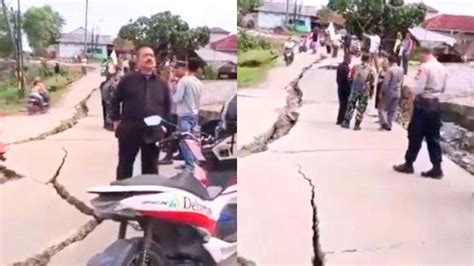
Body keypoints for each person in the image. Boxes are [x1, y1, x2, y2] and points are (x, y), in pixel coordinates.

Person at [111, 46, 171, 180]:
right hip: (130, 130)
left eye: (151, 55)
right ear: (138, 61)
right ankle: (121, 195)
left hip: (153, 131)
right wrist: (115, 120)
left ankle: (148, 197)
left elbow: (167, 106)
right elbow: (115, 100)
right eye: (145, 56)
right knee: (125, 166)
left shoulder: (162, 83)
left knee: (151, 169)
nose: (149, 58)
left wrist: (165, 127)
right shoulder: (127, 80)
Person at [393, 47, 447, 179]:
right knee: (433, 137)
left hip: (423, 105)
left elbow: (418, 88)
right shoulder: (442, 68)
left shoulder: (424, 68)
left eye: (419, 56)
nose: (418, 59)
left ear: (424, 54)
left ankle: (409, 163)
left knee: (415, 135)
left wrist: (408, 87)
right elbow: (444, 88)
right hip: (436, 105)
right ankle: (437, 167)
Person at [172, 58, 203, 171]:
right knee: (193, 141)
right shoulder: (199, 83)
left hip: (184, 115)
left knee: (184, 141)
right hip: (194, 114)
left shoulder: (184, 81)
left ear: (187, 67)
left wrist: (173, 93)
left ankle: (190, 165)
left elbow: (177, 98)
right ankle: (190, 162)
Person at [341, 54, 375, 130]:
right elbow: (372, 82)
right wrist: (371, 92)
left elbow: (349, 78)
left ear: (361, 59)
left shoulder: (355, 67)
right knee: (361, 107)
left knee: (351, 105)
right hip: (364, 90)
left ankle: (346, 122)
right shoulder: (371, 70)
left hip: (354, 89)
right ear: (369, 60)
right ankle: (357, 124)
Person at [379, 55, 404, 131]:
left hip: (390, 90)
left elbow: (386, 83)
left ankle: (385, 122)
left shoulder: (390, 70)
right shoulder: (401, 69)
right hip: (398, 90)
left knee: (382, 108)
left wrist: (381, 92)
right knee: (392, 109)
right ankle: (390, 124)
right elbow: (402, 81)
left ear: (390, 62)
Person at [336, 54, 352, 125]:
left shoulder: (339, 66)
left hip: (340, 87)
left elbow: (337, 78)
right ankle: (341, 120)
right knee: (345, 105)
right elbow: (347, 79)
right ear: (347, 59)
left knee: (341, 104)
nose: (351, 60)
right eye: (350, 59)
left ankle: (339, 119)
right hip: (345, 88)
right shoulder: (346, 68)